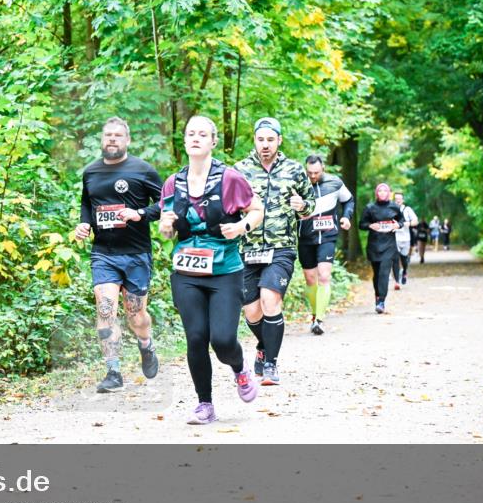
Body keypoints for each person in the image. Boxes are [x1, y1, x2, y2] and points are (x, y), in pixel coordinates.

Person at [158, 116, 264, 424]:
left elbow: (256, 210)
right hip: (186, 272)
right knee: (195, 337)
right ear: (185, 141)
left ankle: (239, 368)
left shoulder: (230, 178)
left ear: (213, 142)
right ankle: (205, 405)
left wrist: (242, 226)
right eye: (190, 133)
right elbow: (167, 225)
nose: (195, 138)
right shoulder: (172, 182)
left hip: (224, 271)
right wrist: (165, 227)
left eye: (202, 134)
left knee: (222, 340)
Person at [75, 117, 163, 393]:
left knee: (136, 316)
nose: (112, 139)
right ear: (102, 140)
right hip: (104, 254)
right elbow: (87, 204)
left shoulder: (143, 170)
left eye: (117, 135)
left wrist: (139, 214)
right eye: (107, 135)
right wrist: (84, 224)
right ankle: (113, 372)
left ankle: (146, 345)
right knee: (105, 309)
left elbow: (165, 204)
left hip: (136, 254)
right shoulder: (91, 172)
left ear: (127, 141)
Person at [233, 117, 316, 385]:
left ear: (279, 140)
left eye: (270, 139)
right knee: (252, 312)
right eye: (261, 139)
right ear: (254, 140)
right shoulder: (240, 170)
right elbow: (227, 205)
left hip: (281, 248)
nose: (265, 144)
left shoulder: (294, 169)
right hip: (247, 248)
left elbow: (311, 204)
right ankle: (263, 345)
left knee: (270, 299)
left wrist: (302, 205)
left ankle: (270, 365)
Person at [297, 154, 354, 335]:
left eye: (316, 172)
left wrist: (346, 216)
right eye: (310, 172)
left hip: (328, 236)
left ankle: (319, 320)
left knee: (323, 276)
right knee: (310, 279)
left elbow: (349, 200)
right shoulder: (298, 184)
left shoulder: (335, 182)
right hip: (305, 237)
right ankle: (314, 314)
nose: (313, 176)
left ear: (323, 169)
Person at [359, 183, 405, 314]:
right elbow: (361, 224)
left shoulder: (394, 207)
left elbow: (402, 221)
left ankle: (381, 301)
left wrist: (398, 225)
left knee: (384, 273)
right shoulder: (370, 208)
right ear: (376, 193)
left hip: (389, 245)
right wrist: (370, 226)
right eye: (380, 191)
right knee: (377, 274)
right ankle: (378, 296)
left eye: (385, 191)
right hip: (374, 245)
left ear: (389, 193)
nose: (383, 193)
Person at [390, 191, 419, 288]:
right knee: (395, 258)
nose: (398, 200)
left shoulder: (407, 209)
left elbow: (416, 221)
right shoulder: (391, 209)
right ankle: (397, 281)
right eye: (396, 199)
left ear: (403, 200)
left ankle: (405, 271)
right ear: (394, 200)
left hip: (406, 238)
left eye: (399, 199)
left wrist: (408, 223)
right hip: (394, 237)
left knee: (403, 258)